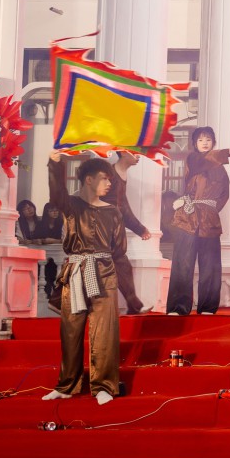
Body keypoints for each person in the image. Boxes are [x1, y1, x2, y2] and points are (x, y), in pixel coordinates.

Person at [42, 152, 127, 405]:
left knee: (104, 332)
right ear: (89, 179)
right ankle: (67, 385)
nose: (109, 183)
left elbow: (119, 248)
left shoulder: (113, 211)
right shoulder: (70, 205)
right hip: (75, 272)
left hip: (104, 274)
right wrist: (55, 163)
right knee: (71, 331)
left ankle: (103, 386)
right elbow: (56, 192)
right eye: (104, 178)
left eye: (110, 179)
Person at [166, 126, 230, 315]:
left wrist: (210, 208)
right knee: (183, 262)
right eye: (201, 140)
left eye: (208, 139)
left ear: (213, 142)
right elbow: (204, 163)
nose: (205, 143)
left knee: (210, 264)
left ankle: (208, 307)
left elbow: (224, 195)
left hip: (209, 220)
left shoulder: (221, 170)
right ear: (194, 143)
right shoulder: (192, 160)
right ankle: (178, 307)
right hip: (187, 217)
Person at [104, 151, 153, 315]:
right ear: (123, 153)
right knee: (98, 266)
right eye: (135, 153)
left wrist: (140, 229)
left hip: (114, 229)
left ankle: (134, 306)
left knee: (122, 266)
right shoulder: (109, 173)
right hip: (103, 229)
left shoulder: (121, 174)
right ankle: (60, 299)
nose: (138, 156)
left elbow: (122, 206)